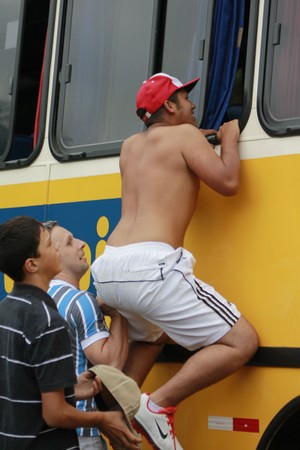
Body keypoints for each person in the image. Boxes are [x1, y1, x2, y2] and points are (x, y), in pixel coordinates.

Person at [90, 72, 259, 450]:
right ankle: (159, 406)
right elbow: (228, 182)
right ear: (169, 106)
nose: (194, 105)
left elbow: (169, 154)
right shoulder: (184, 137)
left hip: (111, 266)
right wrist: (229, 139)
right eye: (186, 98)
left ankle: (122, 425)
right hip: (152, 268)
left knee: (153, 336)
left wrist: (202, 136)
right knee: (242, 342)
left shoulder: (130, 146)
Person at [0, 215, 141, 450]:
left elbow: (22, 388)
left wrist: (71, 388)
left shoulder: (7, 309)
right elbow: (54, 414)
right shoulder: (47, 320)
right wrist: (103, 419)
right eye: (49, 245)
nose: (56, 248)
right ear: (32, 265)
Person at [46, 221, 129, 450]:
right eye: (70, 242)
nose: (83, 244)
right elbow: (111, 364)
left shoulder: (37, 301)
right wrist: (118, 315)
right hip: (80, 435)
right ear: (53, 255)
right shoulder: (80, 301)